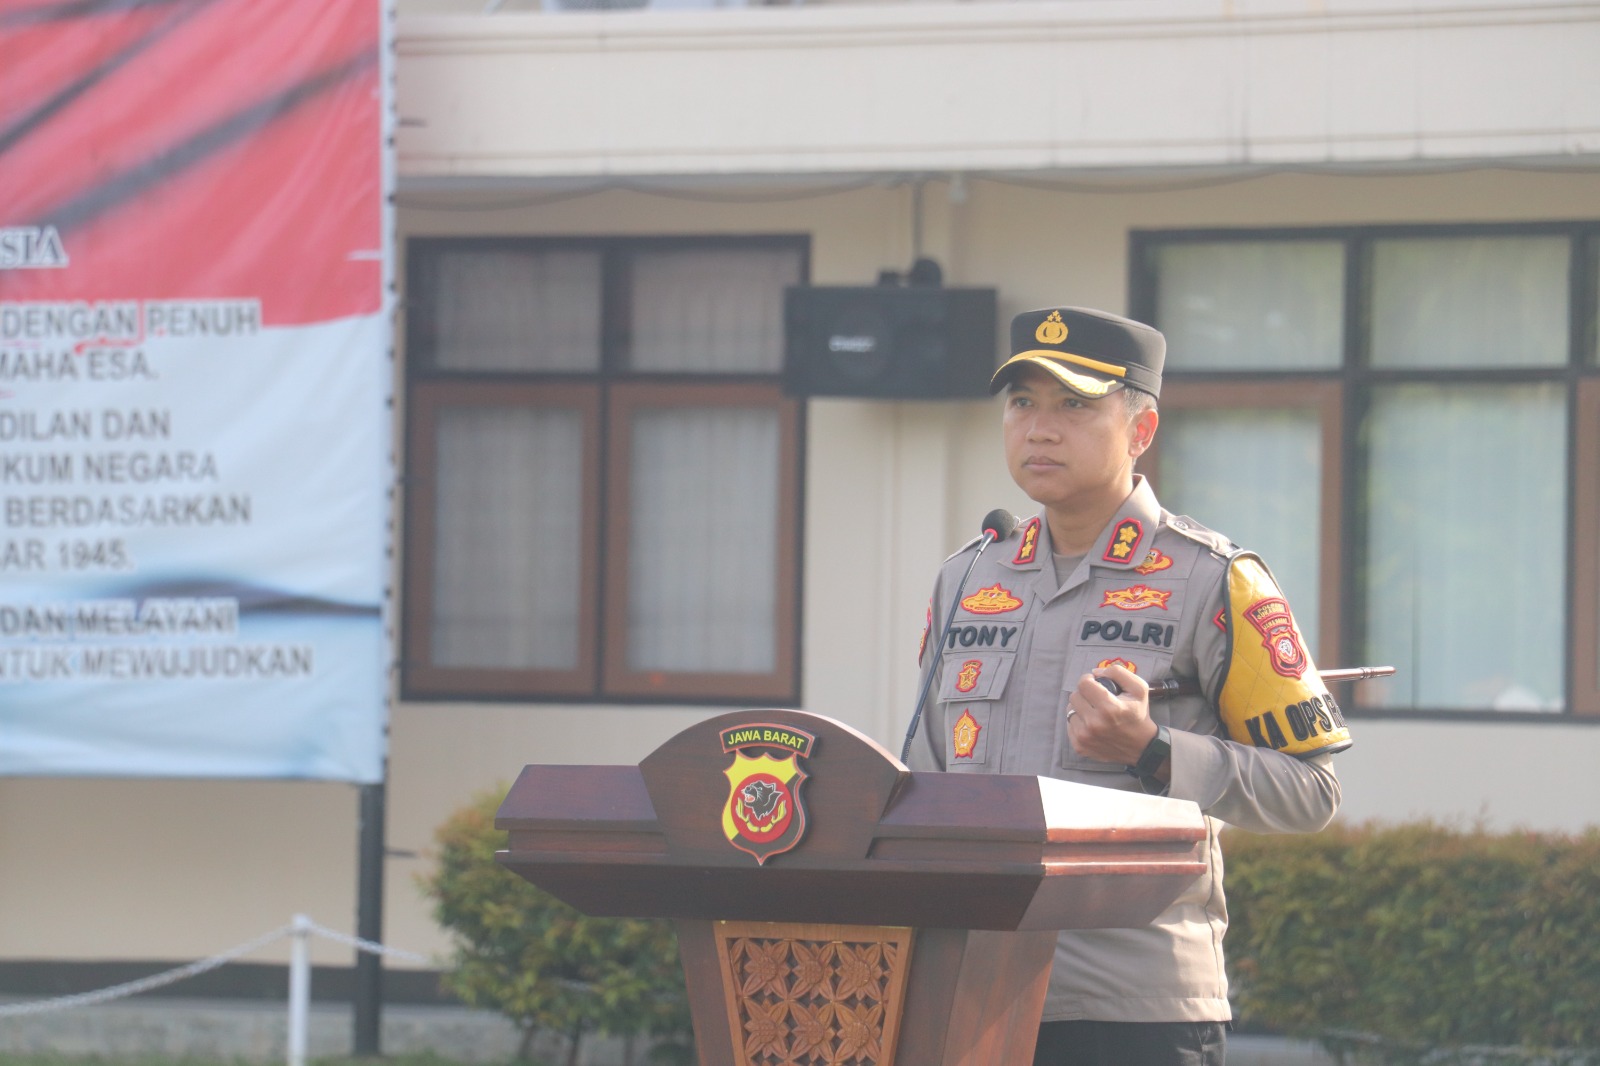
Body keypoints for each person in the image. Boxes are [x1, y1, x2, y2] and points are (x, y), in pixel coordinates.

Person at [904, 306, 1352, 1066]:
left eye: (1074, 406)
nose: (1040, 430)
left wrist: (1155, 751)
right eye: (1023, 403)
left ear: (1141, 430)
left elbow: (1312, 791)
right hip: (973, 997)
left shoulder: (1214, 578)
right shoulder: (969, 577)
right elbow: (925, 786)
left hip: (1132, 1009)